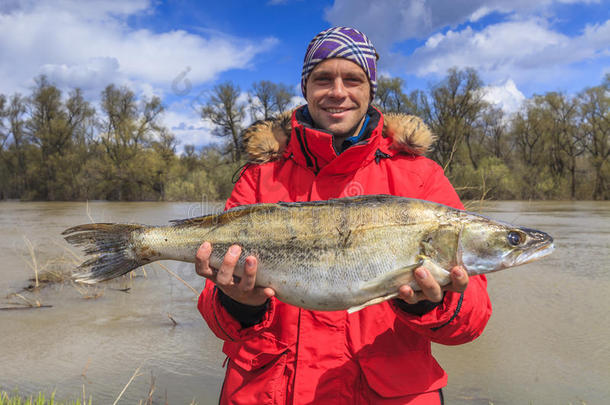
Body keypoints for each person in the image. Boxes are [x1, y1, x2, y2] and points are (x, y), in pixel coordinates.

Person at [195, 26, 492, 405]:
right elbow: (215, 312)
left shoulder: (421, 176)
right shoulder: (260, 176)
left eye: (352, 79)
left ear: (370, 89)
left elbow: (473, 321)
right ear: (305, 88)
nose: (338, 92)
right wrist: (239, 304)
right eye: (323, 79)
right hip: (270, 393)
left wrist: (431, 303)